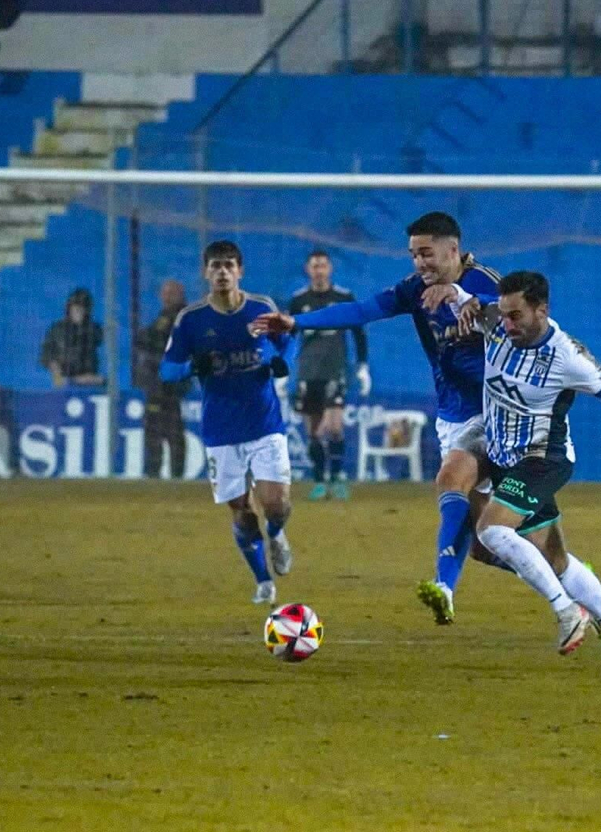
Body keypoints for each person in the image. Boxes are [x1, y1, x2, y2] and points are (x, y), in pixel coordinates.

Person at [251, 212, 501, 626]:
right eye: (414, 255)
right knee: (486, 543)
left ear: (453, 250)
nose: (419, 263)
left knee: (453, 486)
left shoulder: (487, 283)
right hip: (454, 415)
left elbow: (517, 317)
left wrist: (462, 296)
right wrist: (298, 322)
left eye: (427, 253)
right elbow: (363, 311)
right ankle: (565, 577)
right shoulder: (414, 289)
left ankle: (444, 585)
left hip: (499, 414)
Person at [462, 270, 601, 677]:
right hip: (503, 456)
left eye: (516, 316)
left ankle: (567, 612)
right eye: (503, 315)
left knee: (491, 530)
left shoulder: (569, 358)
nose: (507, 325)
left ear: (542, 310)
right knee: (551, 558)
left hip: (544, 459)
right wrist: (452, 291)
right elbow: (455, 286)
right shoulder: (491, 320)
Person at [160, 240, 295, 604]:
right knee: (241, 512)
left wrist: (284, 362)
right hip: (221, 431)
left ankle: (278, 534)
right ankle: (263, 581)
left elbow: (287, 340)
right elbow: (167, 368)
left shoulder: (261, 308)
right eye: (216, 266)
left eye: (229, 265)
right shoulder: (191, 320)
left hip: (265, 424)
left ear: (240, 271)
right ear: (206, 272)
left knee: (276, 503)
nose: (222, 272)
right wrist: (190, 368)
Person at [287, 250, 367, 500]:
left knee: (333, 427)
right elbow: (288, 335)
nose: (319, 270)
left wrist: (362, 365)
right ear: (308, 270)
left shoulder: (343, 297)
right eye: (314, 266)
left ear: (329, 269)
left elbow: (358, 332)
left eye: (323, 266)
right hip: (308, 371)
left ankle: (337, 476)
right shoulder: (298, 301)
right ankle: (320, 480)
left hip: (335, 369)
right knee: (312, 432)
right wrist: (281, 366)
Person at [135, 278, 190, 479]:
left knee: (171, 431)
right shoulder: (165, 317)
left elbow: (157, 340)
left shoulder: (181, 317)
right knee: (156, 432)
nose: (166, 297)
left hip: (170, 385)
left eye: (170, 293)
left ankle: (171, 473)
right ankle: (156, 472)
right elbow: (148, 338)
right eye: (164, 293)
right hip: (158, 383)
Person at [40, 286, 104, 387]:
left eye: (83, 308)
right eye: (76, 308)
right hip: (66, 380)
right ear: (69, 309)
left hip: (89, 380)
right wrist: (57, 373)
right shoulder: (57, 329)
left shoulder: (94, 330)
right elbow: (47, 355)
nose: (79, 312)